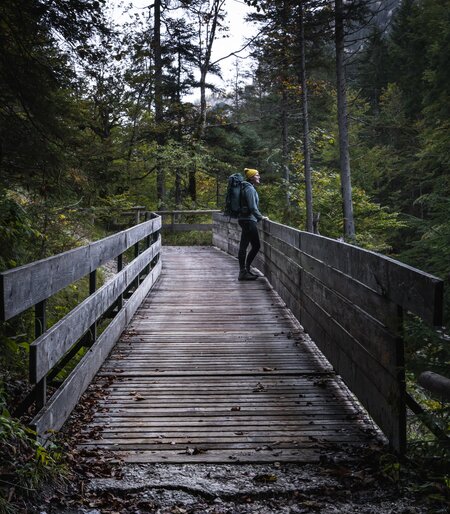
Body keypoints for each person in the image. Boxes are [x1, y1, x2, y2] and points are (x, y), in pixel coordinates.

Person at [237, 167, 267, 281]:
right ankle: (244, 271)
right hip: (249, 220)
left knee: (244, 246)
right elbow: (252, 207)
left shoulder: (246, 187)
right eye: (257, 175)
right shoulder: (249, 189)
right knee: (255, 246)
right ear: (251, 177)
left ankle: (244, 271)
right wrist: (260, 217)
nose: (259, 177)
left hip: (244, 219)